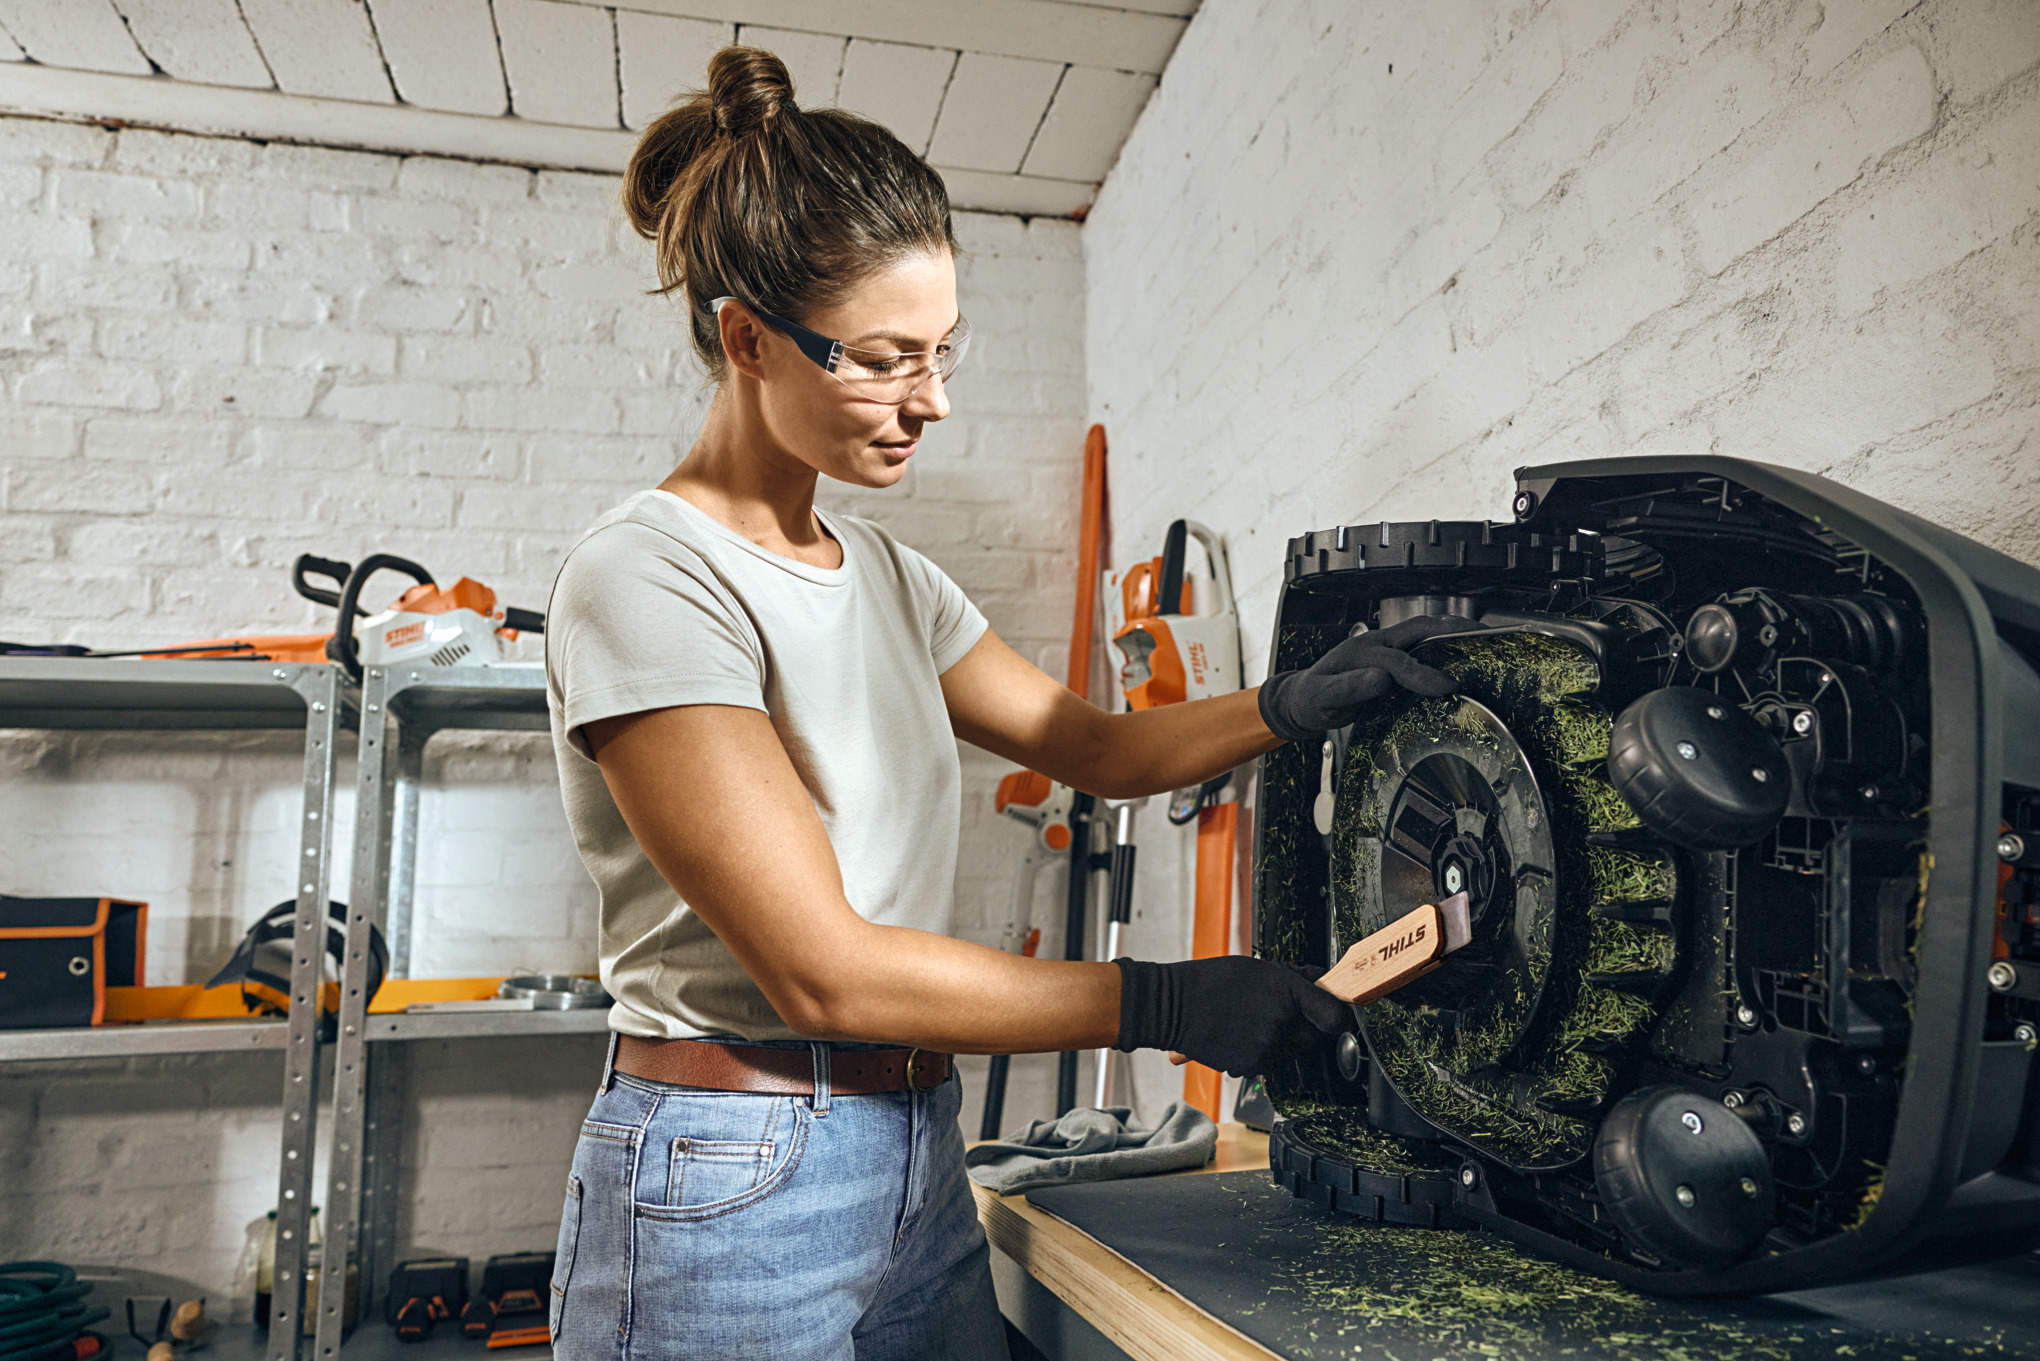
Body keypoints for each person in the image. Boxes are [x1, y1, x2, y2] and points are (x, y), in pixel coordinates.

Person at [541, 45, 1456, 1361]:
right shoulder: (648, 577)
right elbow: (822, 970)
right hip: (731, 1164)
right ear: (747, 339)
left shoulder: (890, 577)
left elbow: (1097, 747)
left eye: (943, 351)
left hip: (915, 1138)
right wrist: (1161, 1003)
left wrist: (1291, 705)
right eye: (885, 360)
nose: (932, 401)